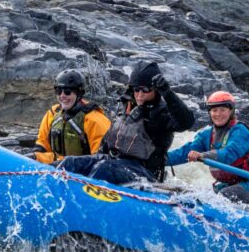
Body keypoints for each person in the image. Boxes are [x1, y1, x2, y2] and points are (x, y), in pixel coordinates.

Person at [58, 61, 195, 185]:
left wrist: (168, 93)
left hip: (144, 172)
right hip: (112, 160)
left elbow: (187, 123)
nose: (140, 95)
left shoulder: (162, 113)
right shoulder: (125, 105)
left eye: (145, 90)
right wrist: (96, 157)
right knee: (70, 163)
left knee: (103, 170)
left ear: (156, 90)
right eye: (136, 89)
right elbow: (108, 138)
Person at [167, 90, 249, 206]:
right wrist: (156, 159)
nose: (218, 114)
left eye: (223, 110)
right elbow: (183, 153)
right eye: (214, 110)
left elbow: (229, 154)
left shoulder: (240, 132)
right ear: (209, 113)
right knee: (197, 194)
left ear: (231, 111)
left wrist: (203, 155)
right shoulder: (207, 135)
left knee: (225, 195)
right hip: (229, 184)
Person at [32, 69, 111, 164]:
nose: (62, 96)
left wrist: (68, 165)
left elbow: (101, 160)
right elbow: (42, 145)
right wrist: (35, 158)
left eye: (67, 92)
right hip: (57, 166)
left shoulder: (95, 120)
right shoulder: (52, 114)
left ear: (79, 93)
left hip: (83, 170)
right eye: (58, 91)